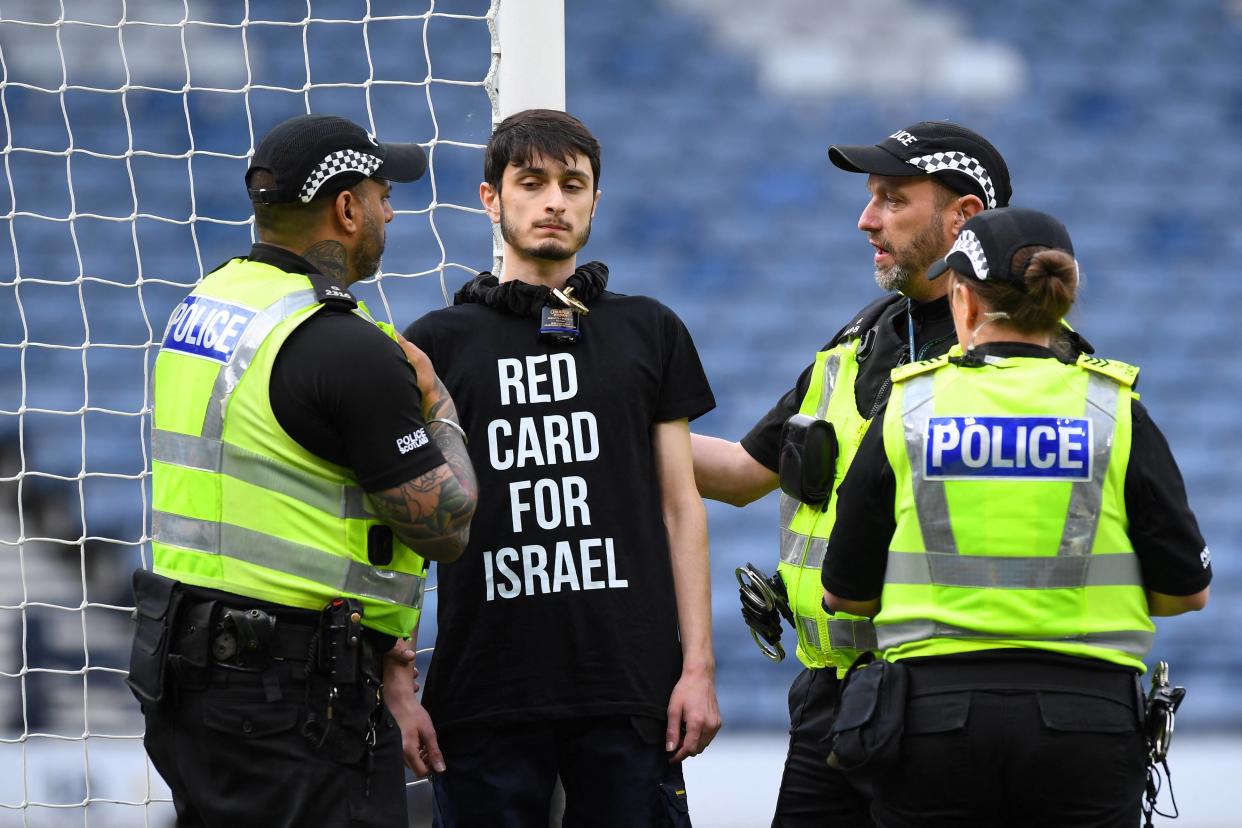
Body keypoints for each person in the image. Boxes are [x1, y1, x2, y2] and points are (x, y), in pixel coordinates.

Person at [692, 121, 1052, 827]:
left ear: (964, 216)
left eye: (892, 199)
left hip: (949, 705)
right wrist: (609, 414)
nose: (866, 219)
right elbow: (738, 472)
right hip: (833, 701)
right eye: (869, 198)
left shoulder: (1028, 359)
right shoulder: (860, 338)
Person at [128, 113, 478, 828]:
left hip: (192, 675)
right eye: (382, 191)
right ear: (346, 209)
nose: (389, 207)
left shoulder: (206, 305)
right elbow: (448, 525)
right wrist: (438, 400)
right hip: (295, 700)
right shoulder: (347, 347)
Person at [823, 207, 1211, 827]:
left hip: (932, 720)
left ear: (964, 302)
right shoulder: (1113, 408)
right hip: (1087, 720)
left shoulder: (909, 405)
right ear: (1061, 302)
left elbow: (843, 595)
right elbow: (1188, 591)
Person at [402, 108, 721, 827]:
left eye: (573, 184)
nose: (554, 201)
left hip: (632, 693)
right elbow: (404, 521)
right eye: (532, 182)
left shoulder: (652, 329)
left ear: (595, 201)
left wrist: (698, 668)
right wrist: (398, 676)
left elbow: (681, 506)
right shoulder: (436, 343)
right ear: (491, 198)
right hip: (484, 690)